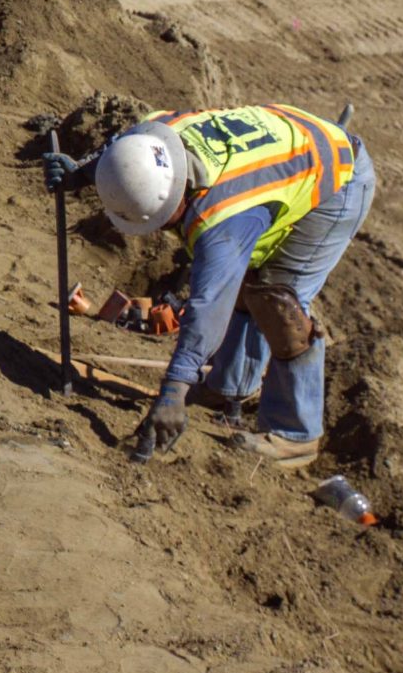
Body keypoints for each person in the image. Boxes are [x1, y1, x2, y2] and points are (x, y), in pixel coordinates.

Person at [47, 104, 374, 467]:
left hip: (338, 178)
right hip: (295, 147)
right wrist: (82, 172)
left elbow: (209, 307)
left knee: (281, 298)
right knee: (250, 277)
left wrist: (173, 391)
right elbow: (121, 156)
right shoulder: (150, 136)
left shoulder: (222, 217)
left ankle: (296, 434)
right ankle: (229, 387)